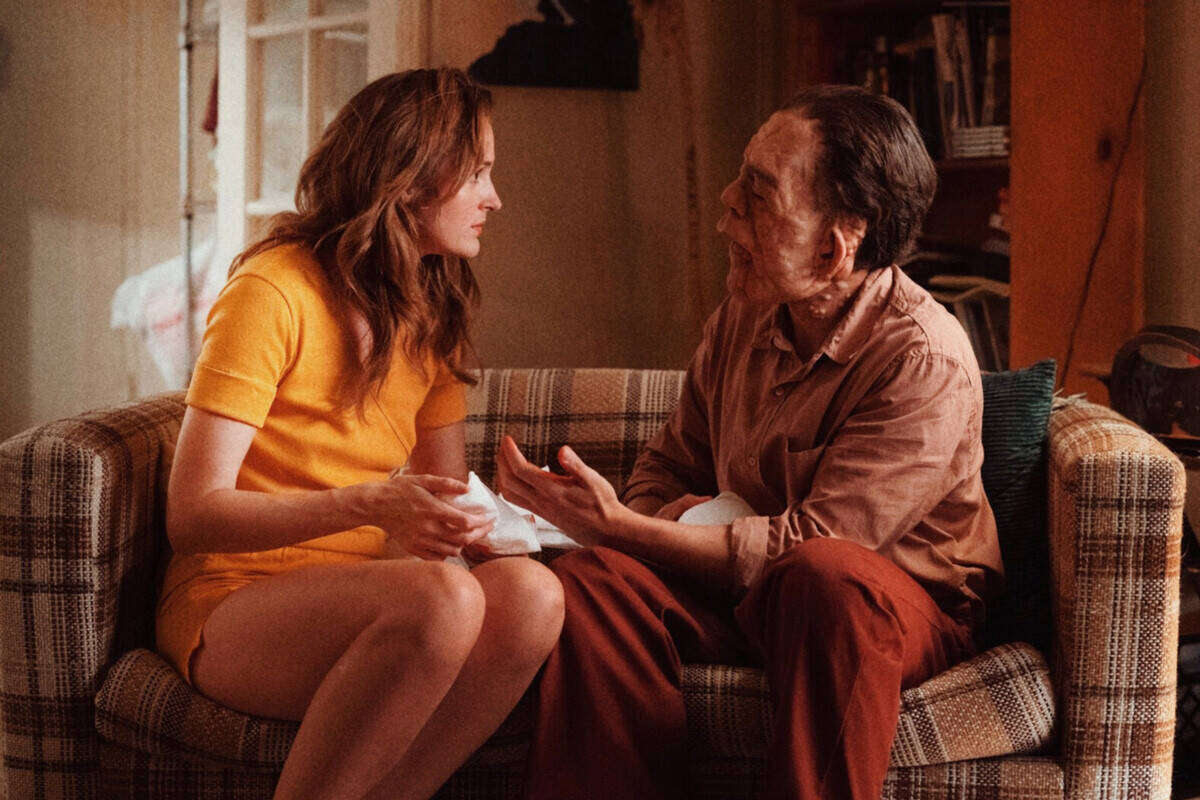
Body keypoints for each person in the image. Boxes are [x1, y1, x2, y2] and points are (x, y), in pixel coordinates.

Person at [498, 85, 1003, 800]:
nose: (726, 206)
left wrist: (624, 526)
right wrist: (637, 526)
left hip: (891, 609)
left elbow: (818, 542)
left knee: (825, 577)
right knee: (593, 580)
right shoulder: (745, 312)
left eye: (758, 194)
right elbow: (672, 462)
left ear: (834, 247)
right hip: (749, 592)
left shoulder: (923, 357)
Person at [156, 68, 564, 800]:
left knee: (532, 595)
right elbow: (192, 516)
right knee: (441, 600)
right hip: (234, 598)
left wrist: (520, 520)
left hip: (377, 595)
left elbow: (442, 502)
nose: (494, 198)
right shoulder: (272, 291)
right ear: (411, 178)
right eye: (477, 174)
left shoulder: (431, 312)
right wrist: (372, 503)